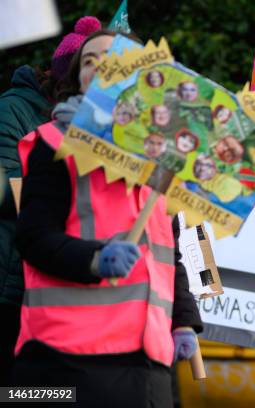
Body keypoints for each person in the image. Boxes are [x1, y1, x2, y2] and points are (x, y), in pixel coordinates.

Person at [12, 29, 202, 407]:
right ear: (78, 78)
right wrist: (96, 258)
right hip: (64, 358)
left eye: (114, 58)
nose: (99, 65)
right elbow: (32, 238)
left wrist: (184, 322)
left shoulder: (163, 161)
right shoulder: (52, 141)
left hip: (149, 359)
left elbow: (170, 256)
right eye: (88, 60)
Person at [0, 15, 101, 385]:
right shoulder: (14, 110)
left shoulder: (100, 126)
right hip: (11, 286)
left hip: (59, 288)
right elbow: (6, 187)